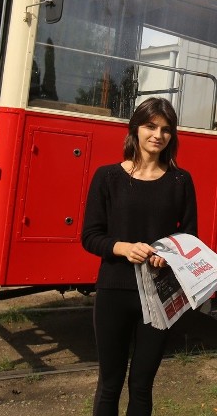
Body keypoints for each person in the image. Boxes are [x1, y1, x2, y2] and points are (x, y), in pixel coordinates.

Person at [81, 97, 198, 416]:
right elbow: (90, 236)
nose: (157, 135)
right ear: (135, 129)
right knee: (109, 384)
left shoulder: (180, 181)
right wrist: (123, 247)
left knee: (142, 385)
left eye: (165, 129)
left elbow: (189, 238)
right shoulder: (107, 177)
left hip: (159, 295)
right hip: (114, 291)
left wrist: (169, 255)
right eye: (150, 126)